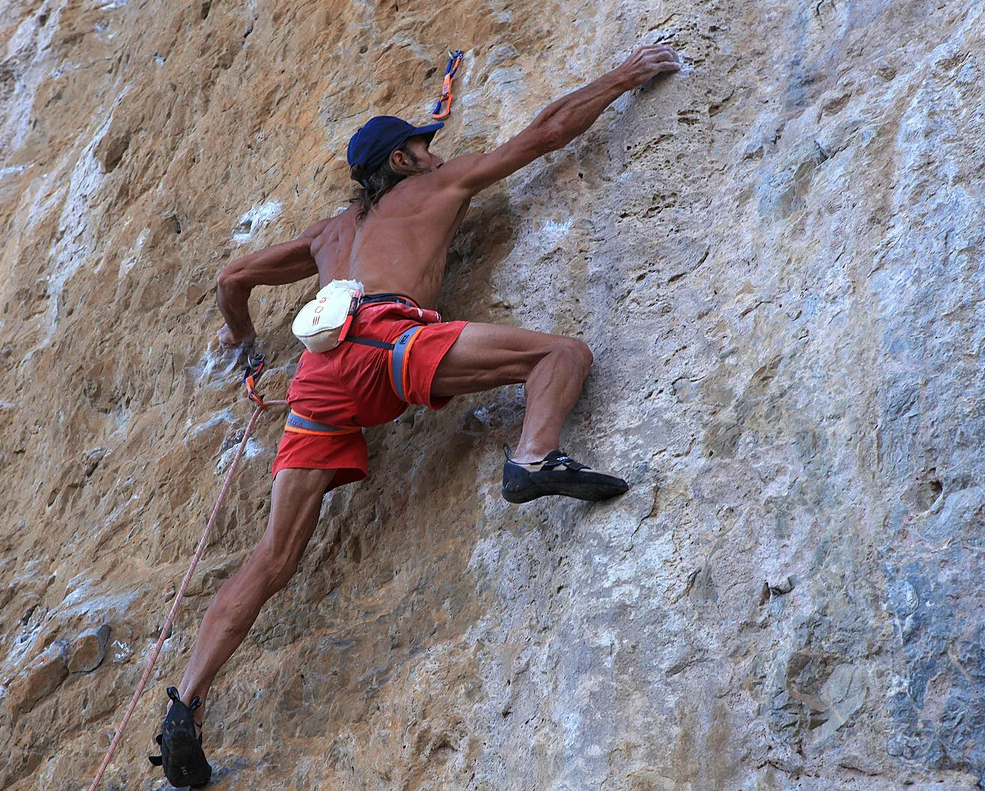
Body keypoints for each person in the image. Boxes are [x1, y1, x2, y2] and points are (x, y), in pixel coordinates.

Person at [151, 43, 681, 787]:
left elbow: (232, 277)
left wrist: (245, 350)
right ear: (399, 162)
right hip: (390, 344)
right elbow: (546, 133)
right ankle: (533, 457)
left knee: (273, 558)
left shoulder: (326, 234)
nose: (439, 157)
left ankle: (186, 702)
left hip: (318, 382)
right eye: (424, 149)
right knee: (560, 355)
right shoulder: (440, 188)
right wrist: (625, 76)